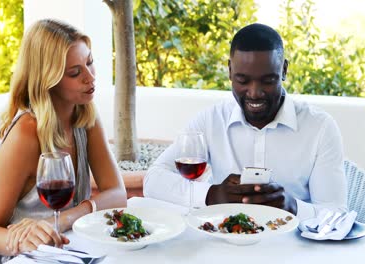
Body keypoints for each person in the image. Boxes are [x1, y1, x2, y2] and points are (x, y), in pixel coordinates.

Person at [143, 23, 347, 221]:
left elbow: (336, 214)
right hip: (224, 242)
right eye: (243, 80)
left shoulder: (320, 127)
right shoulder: (211, 120)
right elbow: (153, 180)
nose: (255, 93)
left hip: (295, 248)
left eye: (267, 81)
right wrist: (211, 195)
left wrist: (293, 207)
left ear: (284, 70)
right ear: (230, 71)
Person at [0, 19, 127, 263]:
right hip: (19, 257)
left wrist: (63, 219)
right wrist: (26, 238)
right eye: (75, 72)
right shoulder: (27, 132)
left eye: (90, 62)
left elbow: (117, 194)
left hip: (69, 251)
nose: (90, 77)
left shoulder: (85, 116)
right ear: (49, 79)